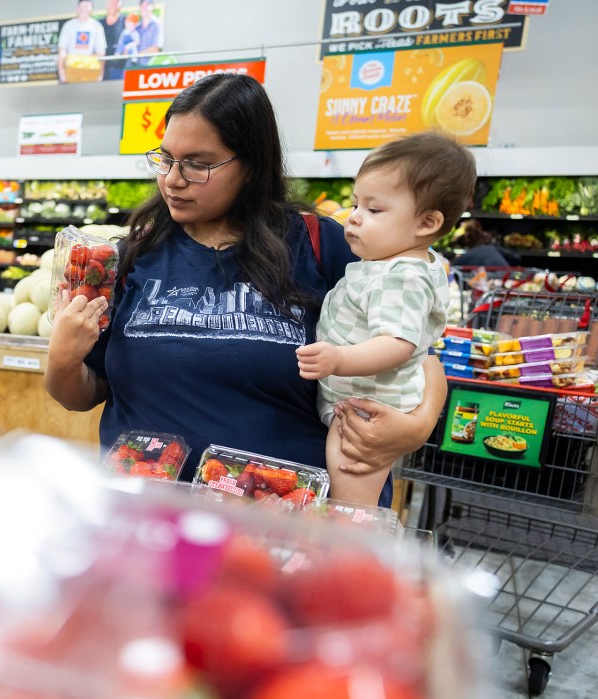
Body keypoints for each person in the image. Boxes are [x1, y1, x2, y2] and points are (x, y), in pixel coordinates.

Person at [45, 73, 446, 506]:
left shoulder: (323, 244)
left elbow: (422, 352)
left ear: (251, 165)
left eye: (198, 164)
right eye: (165, 158)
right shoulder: (132, 254)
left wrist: (417, 426)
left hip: (282, 525)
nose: (173, 180)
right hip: (145, 517)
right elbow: (81, 395)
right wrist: (63, 359)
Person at [296, 133, 474, 505]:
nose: (355, 217)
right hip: (361, 399)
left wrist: (339, 359)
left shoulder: (403, 275)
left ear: (426, 223)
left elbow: (398, 343)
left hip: (368, 409)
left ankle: (352, 546)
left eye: (373, 210)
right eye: (356, 203)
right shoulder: (387, 265)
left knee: (350, 490)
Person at [58, 0, 107, 83]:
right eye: (81, 7)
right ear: (77, 8)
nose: (84, 9)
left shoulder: (97, 26)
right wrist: (62, 73)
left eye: (86, 7)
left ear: (91, 9)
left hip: (90, 71)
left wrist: (100, 74)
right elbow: (62, 51)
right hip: (71, 71)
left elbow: (101, 53)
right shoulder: (68, 26)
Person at [123, 0, 162, 69]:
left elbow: (156, 48)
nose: (144, 8)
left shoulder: (157, 25)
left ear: (152, 7)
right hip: (132, 68)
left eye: (147, 5)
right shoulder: (136, 27)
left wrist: (138, 54)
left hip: (149, 68)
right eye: (142, 5)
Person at [100, 0, 127, 81]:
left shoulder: (126, 21)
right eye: (111, 1)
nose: (113, 4)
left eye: (116, 2)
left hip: (120, 69)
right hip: (101, 69)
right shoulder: (98, 24)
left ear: (120, 4)